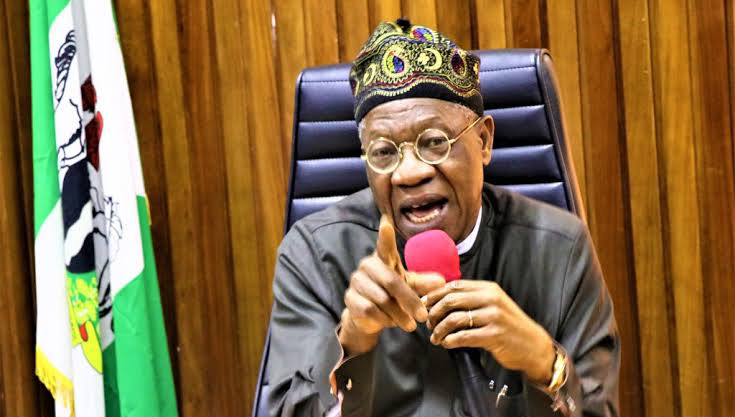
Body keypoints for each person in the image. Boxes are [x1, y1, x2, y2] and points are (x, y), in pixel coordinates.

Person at [267, 19, 619, 417]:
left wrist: (544, 362)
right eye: (384, 152)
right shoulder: (314, 254)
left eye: (434, 142)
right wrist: (351, 343)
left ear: (484, 140)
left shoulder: (560, 248)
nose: (408, 173)